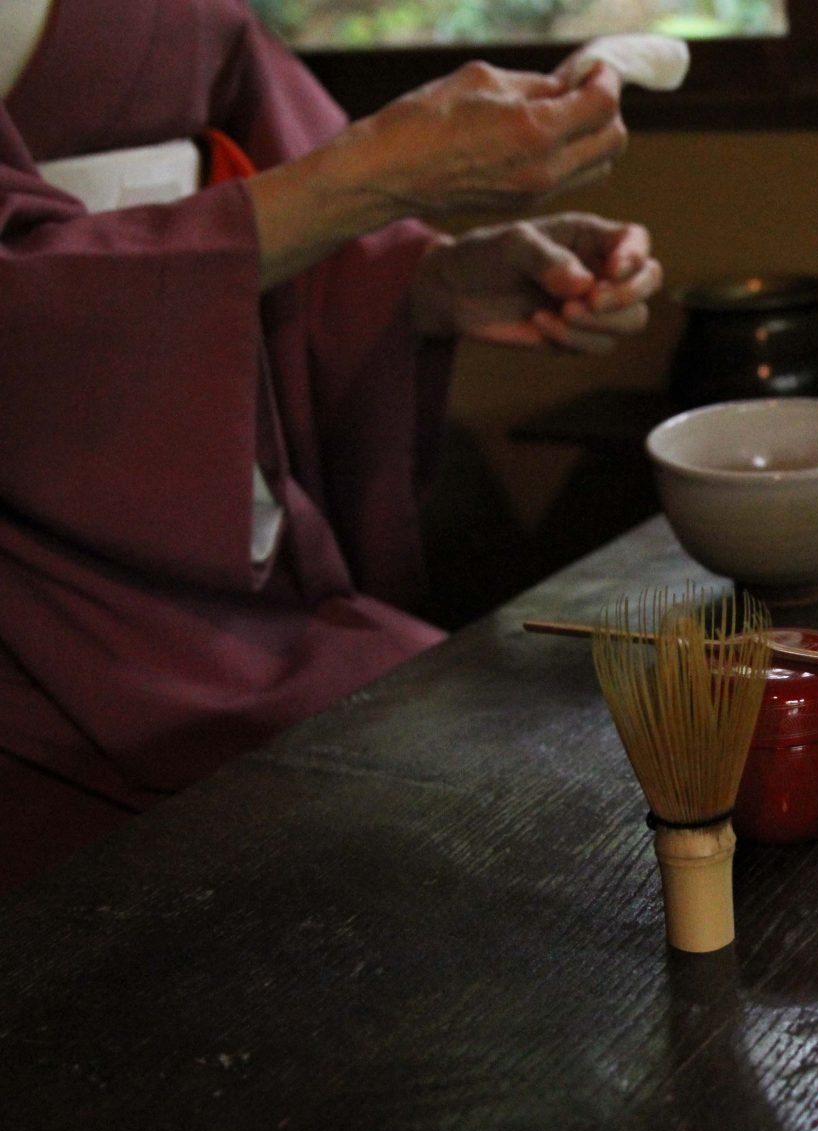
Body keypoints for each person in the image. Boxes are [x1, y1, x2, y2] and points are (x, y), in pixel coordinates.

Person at [0, 0, 667, 890]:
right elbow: (37, 315)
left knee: (563, 767)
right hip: (42, 612)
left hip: (236, 557)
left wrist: (426, 281)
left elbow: (268, 197)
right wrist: (372, 177)